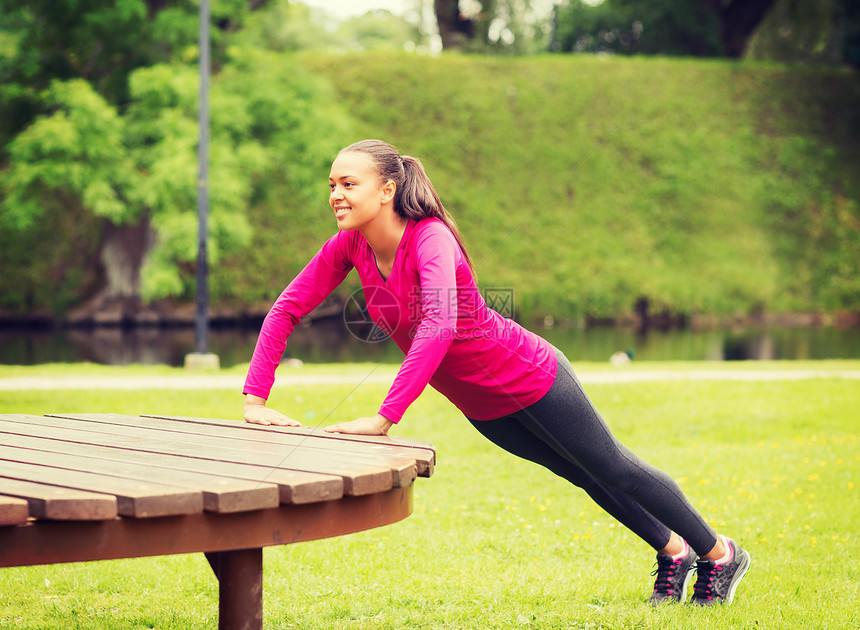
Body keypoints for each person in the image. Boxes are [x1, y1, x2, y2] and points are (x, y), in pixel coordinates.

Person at [242, 139, 751, 606]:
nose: (335, 195)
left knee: (612, 466)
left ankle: (720, 554)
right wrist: (255, 401)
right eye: (331, 184)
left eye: (348, 184)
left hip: (531, 376)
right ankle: (674, 552)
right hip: (482, 406)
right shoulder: (350, 247)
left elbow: (439, 323)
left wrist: (384, 417)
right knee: (580, 473)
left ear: (388, 189)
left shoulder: (430, 238)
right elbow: (287, 309)